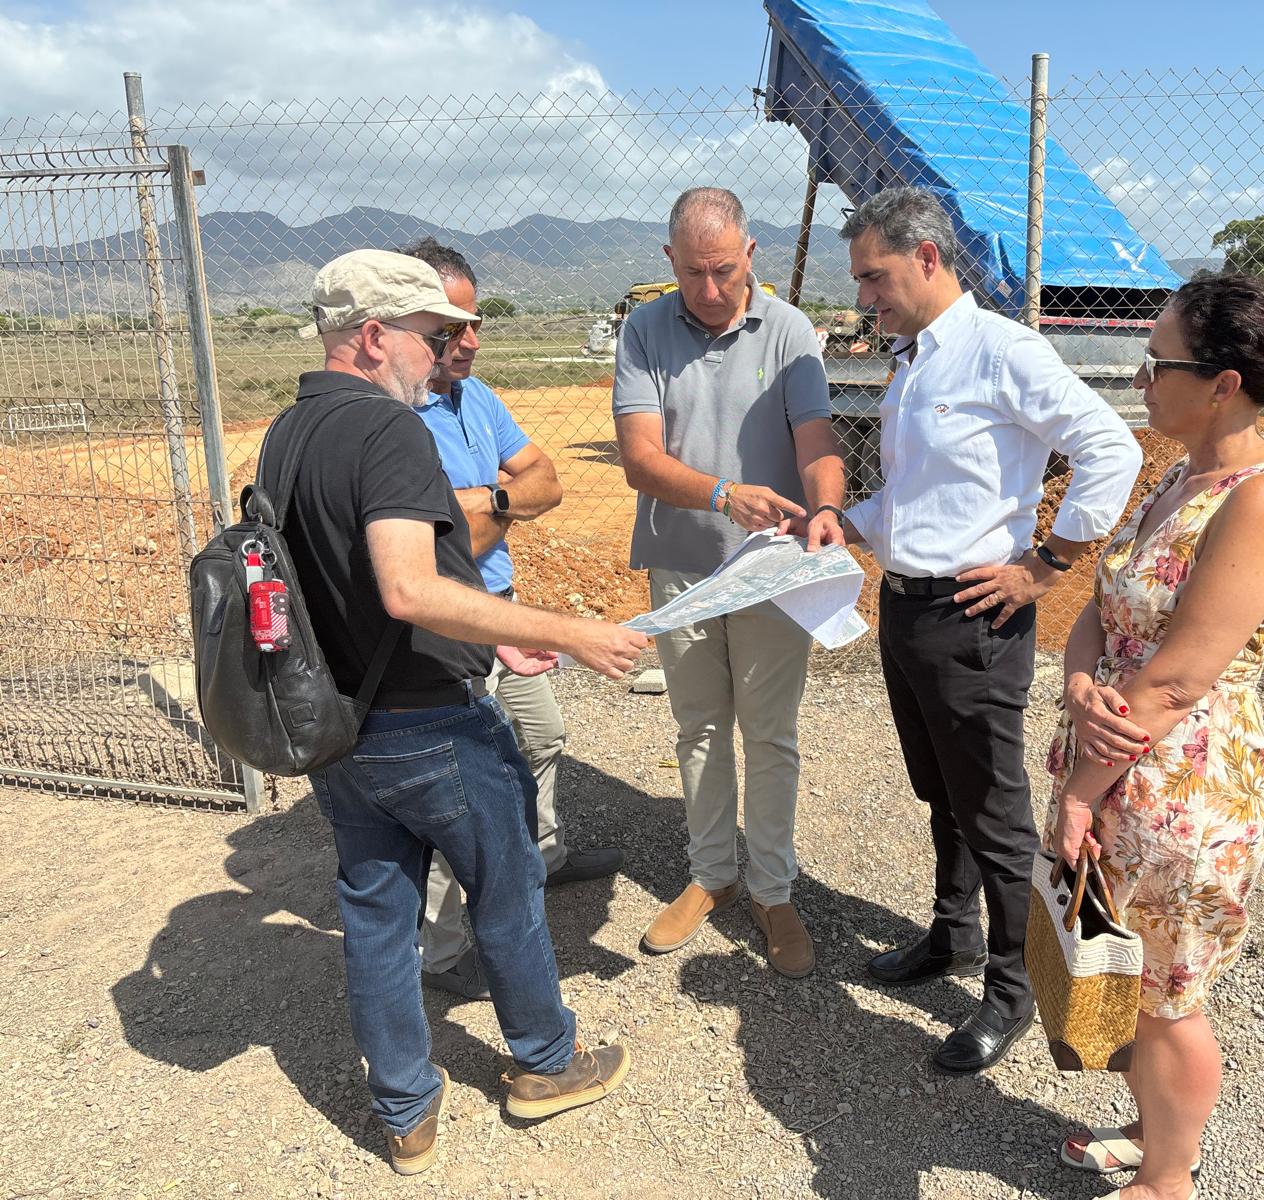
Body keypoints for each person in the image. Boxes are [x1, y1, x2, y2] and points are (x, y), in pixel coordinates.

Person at [288, 249, 647, 1175]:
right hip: (429, 722)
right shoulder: (389, 434)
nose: (445, 350)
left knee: (376, 913)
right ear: (374, 338)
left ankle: (405, 1115)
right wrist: (564, 629)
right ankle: (545, 1063)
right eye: (431, 334)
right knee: (507, 889)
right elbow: (409, 590)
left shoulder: (290, 433)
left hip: (339, 727)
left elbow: (347, 590)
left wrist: (495, 638)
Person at [835, 187, 1142, 1072]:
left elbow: (1109, 448)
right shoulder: (916, 359)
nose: (865, 297)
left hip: (974, 617)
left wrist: (1046, 565)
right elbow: (916, 497)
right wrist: (845, 523)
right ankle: (952, 934)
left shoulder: (1001, 351)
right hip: (907, 605)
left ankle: (1011, 992)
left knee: (996, 813)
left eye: (875, 276)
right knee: (942, 790)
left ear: (927, 258)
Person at [1048, 274, 1264, 1200]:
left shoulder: (1259, 498)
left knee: (1167, 996)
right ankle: (1154, 1133)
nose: (1142, 376)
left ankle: (1170, 1182)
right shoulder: (1177, 474)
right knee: (1128, 972)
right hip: (1118, 759)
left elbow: (1180, 674)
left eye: (1158, 361)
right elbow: (1105, 607)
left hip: (1181, 787)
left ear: (1224, 382)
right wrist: (1081, 678)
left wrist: (1082, 787)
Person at [613, 187, 847, 979]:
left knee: (770, 732)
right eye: (691, 274)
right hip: (682, 559)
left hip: (771, 569)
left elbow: (816, 441)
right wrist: (722, 495)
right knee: (700, 727)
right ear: (668, 263)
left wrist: (825, 509)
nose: (709, 292)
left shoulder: (787, 333)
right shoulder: (644, 330)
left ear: (751, 254)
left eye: (722, 270)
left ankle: (772, 889)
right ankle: (712, 875)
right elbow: (640, 458)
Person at [396, 237, 624, 1003]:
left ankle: (544, 859)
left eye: (475, 321)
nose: (472, 340)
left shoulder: (476, 396)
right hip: (443, 626)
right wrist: (493, 502)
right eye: (454, 326)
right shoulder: (394, 419)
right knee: (450, 787)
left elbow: (546, 480)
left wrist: (483, 504)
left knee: (543, 736)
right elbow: (431, 542)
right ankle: (440, 950)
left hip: (502, 608)